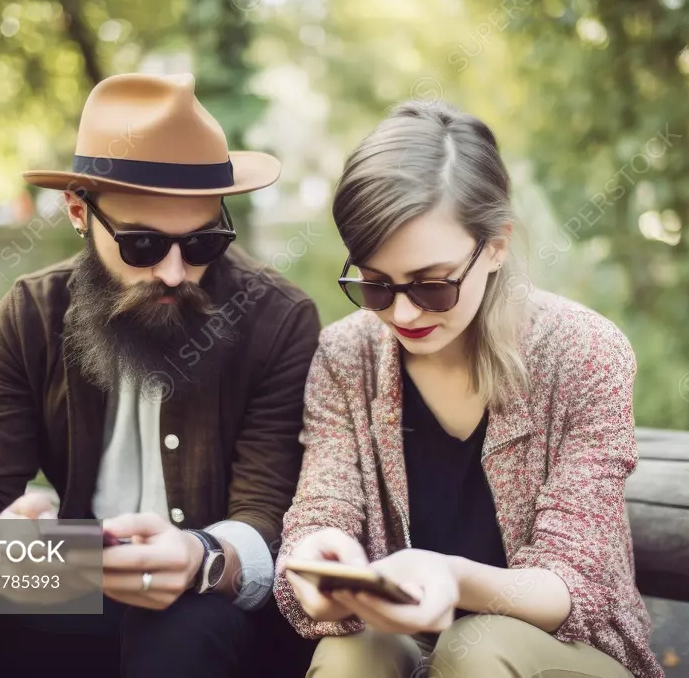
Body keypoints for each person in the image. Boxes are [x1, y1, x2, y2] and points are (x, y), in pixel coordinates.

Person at [0, 72, 321, 678]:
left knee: (185, 629)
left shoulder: (279, 320)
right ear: (80, 211)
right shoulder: (33, 311)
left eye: (205, 242)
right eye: (142, 245)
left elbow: (267, 513)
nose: (177, 272)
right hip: (66, 592)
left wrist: (201, 556)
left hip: (210, 613)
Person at [273, 100, 665, 678]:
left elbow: (574, 583)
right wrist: (314, 565)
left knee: (475, 649)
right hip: (411, 638)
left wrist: (451, 578)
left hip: (563, 652)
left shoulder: (585, 351)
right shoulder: (345, 354)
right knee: (349, 655)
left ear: (498, 244)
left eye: (432, 285)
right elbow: (321, 510)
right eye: (376, 286)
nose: (403, 312)